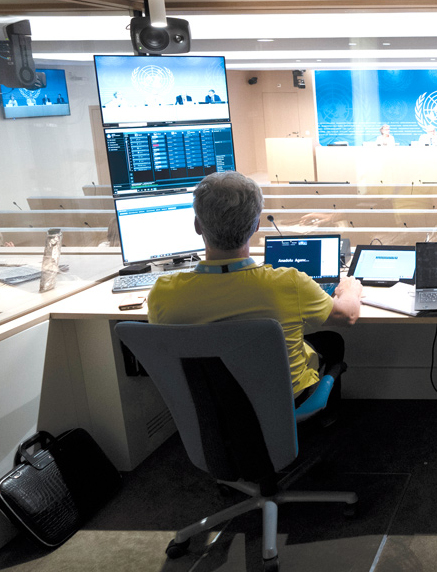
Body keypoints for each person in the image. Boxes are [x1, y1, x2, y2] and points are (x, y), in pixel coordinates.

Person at [147, 172, 362, 408]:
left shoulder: (163, 293)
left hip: (208, 406)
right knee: (330, 341)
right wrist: (350, 288)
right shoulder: (288, 283)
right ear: (257, 224)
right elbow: (348, 315)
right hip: (282, 402)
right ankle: (325, 420)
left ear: (198, 225)